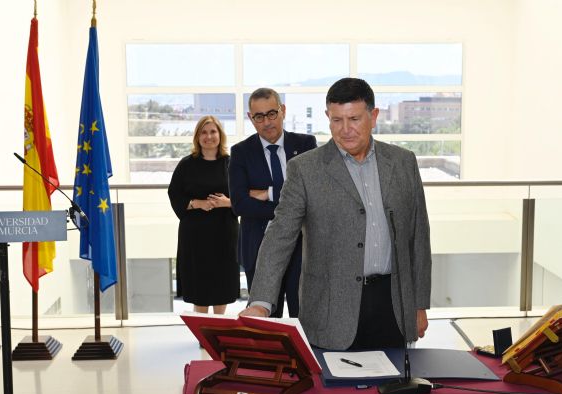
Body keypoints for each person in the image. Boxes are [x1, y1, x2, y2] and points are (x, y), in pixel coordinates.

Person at [240, 78, 431, 351]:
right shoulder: (305, 169)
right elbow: (279, 237)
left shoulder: (403, 162)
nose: (345, 130)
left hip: (394, 307)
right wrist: (260, 303)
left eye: (354, 119)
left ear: (373, 116)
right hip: (330, 313)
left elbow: (418, 237)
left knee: (395, 377)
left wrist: (419, 304)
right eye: (336, 120)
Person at [229, 88, 317, 318]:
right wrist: (294, 205)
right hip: (259, 248)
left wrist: (268, 193)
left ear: (283, 111)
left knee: (304, 317)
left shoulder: (306, 144)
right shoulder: (240, 152)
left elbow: (313, 195)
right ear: (251, 118)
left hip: (302, 246)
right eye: (259, 116)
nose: (267, 122)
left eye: (272, 113)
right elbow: (240, 204)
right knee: (265, 321)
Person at [168, 115, 239, 314]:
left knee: (222, 285)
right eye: (204, 132)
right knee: (200, 286)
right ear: (197, 137)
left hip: (224, 233)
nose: (209, 136)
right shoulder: (187, 164)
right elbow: (174, 194)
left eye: (213, 132)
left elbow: (244, 196)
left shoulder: (232, 164)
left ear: (220, 135)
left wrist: (227, 202)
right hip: (196, 235)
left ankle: (219, 326)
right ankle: (202, 329)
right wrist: (196, 203)